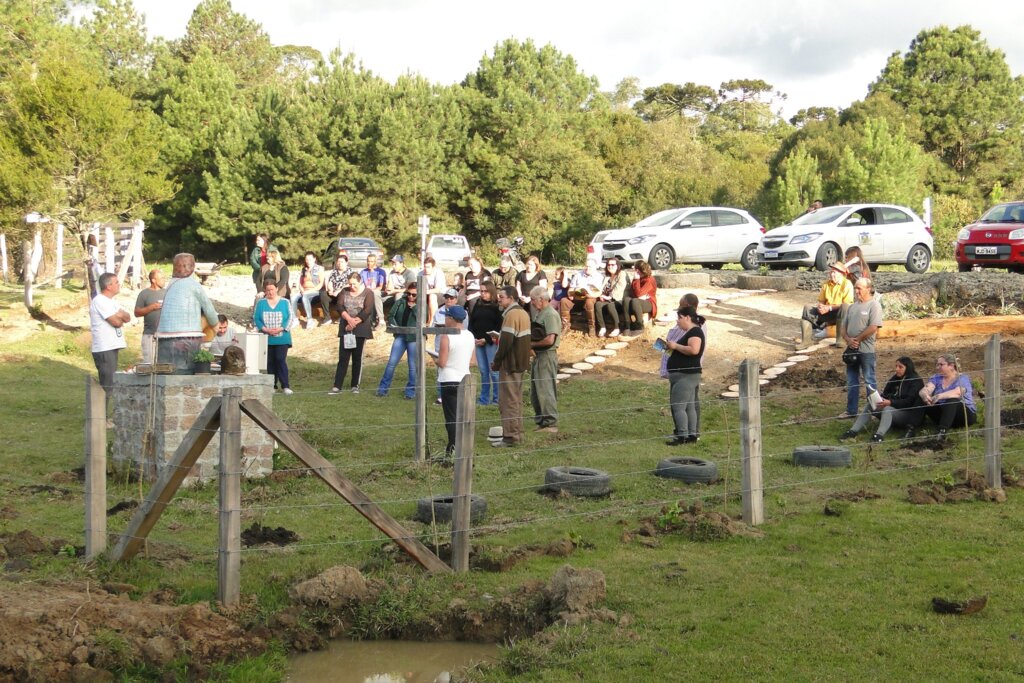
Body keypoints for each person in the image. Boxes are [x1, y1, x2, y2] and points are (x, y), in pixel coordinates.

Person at [156, 253, 219, 373]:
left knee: (164, 371)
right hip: (187, 336)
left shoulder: (170, 285)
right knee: (184, 371)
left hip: (163, 335)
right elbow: (209, 309)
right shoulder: (193, 285)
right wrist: (215, 324)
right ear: (192, 267)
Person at [840, 357, 925, 443]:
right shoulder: (896, 378)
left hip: (907, 415)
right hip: (894, 409)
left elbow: (909, 402)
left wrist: (891, 402)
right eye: (896, 366)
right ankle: (853, 431)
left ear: (908, 367)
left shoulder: (915, 381)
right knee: (871, 404)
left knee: (887, 409)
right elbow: (886, 392)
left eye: (900, 367)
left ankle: (879, 435)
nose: (897, 369)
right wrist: (880, 398)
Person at [491, 286, 531, 448]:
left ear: (512, 298)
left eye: (502, 296)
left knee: (508, 400)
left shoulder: (511, 315)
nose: (499, 299)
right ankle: (518, 433)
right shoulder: (523, 313)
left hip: (510, 364)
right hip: (520, 363)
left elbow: (506, 342)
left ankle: (510, 436)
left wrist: (497, 361)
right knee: (516, 399)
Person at [433, 305, 475, 459]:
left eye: (446, 317)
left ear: (451, 319)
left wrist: (435, 359)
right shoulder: (470, 335)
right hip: (465, 378)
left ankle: (452, 449)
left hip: (449, 379)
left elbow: (442, 362)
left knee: (451, 418)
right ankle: (463, 447)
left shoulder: (447, 336)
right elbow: (473, 361)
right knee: (463, 416)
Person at [840, 278, 882, 418]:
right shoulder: (852, 307)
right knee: (852, 381)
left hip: (866, 351)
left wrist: (857, 340)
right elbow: (843, 327)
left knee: (869, 380)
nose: (856, 291)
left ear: (868, 288)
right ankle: (851, 410)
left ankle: (876, 410)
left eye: (859, 288)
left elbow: (873, 327)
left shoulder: (874, 305)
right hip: (852, 351)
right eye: (855, 288)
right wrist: (847, 339)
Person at [663, 306, 705, 446]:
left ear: (687, 317)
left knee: (678, 406)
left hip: (685, 375)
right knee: (689, 406)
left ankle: (682, 435)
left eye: (679, 318)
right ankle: (691, 434)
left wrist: (675, 346)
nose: (678, 321)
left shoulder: (695, 332)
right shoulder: (691, 332)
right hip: (687, 374)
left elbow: (694, 350)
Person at [90, 272, 130, 413]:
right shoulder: (100, 301)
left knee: (111, 383)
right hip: (104, 348)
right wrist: (119, 316)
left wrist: (119, 315)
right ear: (108, 286)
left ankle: (103, 416)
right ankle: (101, 418)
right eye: (116, 282)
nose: (119, 284)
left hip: (112, 346)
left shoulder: (112, 302)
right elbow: (116, 322)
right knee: (106, 385)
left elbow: (127, 317)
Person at [330, 272, 374, 394]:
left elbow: (368, 309)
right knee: (343, 357)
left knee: (357, 357)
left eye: (354, 284)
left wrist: (354, 322)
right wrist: (348, 319)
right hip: (346, 327)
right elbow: (339, 306)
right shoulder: (344, 291)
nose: (351, 286)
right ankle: (337, 385)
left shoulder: (368, 293)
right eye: (349, 284)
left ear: (359, 282)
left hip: (361, 328)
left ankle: (355, 385)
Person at [919, 354, 977, 442]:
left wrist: (939, 396)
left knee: (952, 400)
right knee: (921, 399)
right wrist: (925, 396)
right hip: (944, 413)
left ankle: (942, 432)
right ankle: (911, 426)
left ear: (951, 365)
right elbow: (926, 389)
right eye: (937, 364)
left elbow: (957, 392)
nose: (938, 367)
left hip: (963, 415)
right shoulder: (937, 378)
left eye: (941, 365)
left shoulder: (962, 379)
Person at [376, 282, 419, 399]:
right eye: (408, 294)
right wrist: (396, 328)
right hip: (401, 335)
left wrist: (414, 308)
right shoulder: (400, 302)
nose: (410, 297)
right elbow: (391, 316)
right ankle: (383, 389)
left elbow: (422, 319)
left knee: (412, 365)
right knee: (391, 363)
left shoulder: (421, 305)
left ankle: (410, 392)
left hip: (413, 338)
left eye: (414, 295)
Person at [529, 286, 561, 432]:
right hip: (538, 355)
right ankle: (541, 420)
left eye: (533, 300)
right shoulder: (540, 313)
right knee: (536, 390)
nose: (531, 303)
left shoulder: (550, 315)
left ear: (541, 300)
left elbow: (549, 340)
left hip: (546, 355)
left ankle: (550, 422)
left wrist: (531, 344)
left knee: (545, 388)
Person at [800, 262, 854, 346]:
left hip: (841, 314)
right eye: (831, 272)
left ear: (841, 274)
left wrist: (829, 308)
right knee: (807, 308)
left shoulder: (847, 284)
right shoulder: (826, 284)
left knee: (845, 307)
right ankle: (806, 341)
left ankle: (840, 340)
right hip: (828, 312)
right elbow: (821, 301)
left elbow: (847, 304)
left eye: (834, 272)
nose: (832, 274)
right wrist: (820, 307)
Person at [254, 280, 293, 394]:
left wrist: (281, 328)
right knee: (270, 362)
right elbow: (256, 318)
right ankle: (272, 385)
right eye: (267, 290)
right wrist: (265, 329)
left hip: (282, 338)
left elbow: (290, 317)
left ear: (276, 289)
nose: (270, 292)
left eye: (272, 289)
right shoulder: (261, 303)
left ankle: (285, 385)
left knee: (280, 359)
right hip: (267, 338)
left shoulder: (285, 302)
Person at [469, 281, 502, 406]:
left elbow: (499, 327)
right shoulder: (478, 303)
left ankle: (497, 398)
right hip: (478, 341)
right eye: (481, 291)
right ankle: (484, 398)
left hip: (491, 342)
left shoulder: (496, 307)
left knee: (493, 371)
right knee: (483, 371)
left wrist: (487, 339)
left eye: (485, 291)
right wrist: (474, 337)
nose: (483, 294)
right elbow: (472, 322)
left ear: (491, 292)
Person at [558, 259, 603, 335]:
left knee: (589, 301)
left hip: (591, 298)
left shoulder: (599, 276)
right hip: (577, 298)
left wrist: (590, 295)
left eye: (590, 267)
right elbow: (571, 288)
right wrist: (570, 294)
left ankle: (591, 327)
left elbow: (599, 292)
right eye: (586, 266)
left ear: (595, 267)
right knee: (564, 300)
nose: (587, 268)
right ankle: (566, 326)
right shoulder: (578, 275)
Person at [133, 268, 165, 364]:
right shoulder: (144, 294)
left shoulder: (167, 292)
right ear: (153, 280)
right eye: (161, 278)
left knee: (163, 364)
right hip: (149, 334)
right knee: (148, 363)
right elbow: (137, 313)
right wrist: (151, 307)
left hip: (165, 335)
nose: (164, 280)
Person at [594, 258, 629, 337]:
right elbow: (602, 289)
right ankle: (602, 327)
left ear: (618, 266)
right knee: (598, 304)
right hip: (609, 299)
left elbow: (620, 288)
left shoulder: (621, 274)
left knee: (611, 305)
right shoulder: (607, 277)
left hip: (620, 300)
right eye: (608, 265)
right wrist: (601, 295)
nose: (610, 266)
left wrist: (608, 297)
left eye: (613, 264)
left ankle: (617, 328)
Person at [293, 251, 324, 329]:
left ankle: (310, 320)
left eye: (310, 259)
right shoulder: (304, 269)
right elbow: (300, 282)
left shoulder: (319, 269)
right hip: (304, 291)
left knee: (305, 297)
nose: (308, 261)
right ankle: (295, 319)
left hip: (315, 291)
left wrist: (309, 291)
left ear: (314, 259)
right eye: (306, 259)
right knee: (293, 297)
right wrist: (301, 289)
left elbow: (321, 284)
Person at [626, 260, 657, 336]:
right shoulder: (639, 277)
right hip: (640, 301)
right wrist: (636, 280)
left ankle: (640, 326)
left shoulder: (650, 280)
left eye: (634, 268)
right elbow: (632, 292)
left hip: (649, 303)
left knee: (635, 301)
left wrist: (636, 280)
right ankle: (627, 324)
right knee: (626, 300)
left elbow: (638, 294)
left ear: (637, 270)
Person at [320, 254, 352, 324]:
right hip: (333, 293)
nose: (340, 264)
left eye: (342, 262)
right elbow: (330, 281)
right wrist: (330, 289)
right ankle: (327, 318)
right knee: (323, 294)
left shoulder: (350, 272)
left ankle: (342, 316)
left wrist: (338, 291)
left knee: (342, 293)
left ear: (346, 262)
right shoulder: (334, 271)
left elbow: (349, 284)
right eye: (338, 262)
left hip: (343, 292)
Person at [360, 253, 387, 329]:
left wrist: (371, 291)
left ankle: (381, 320)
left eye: (371, 261)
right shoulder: (363, 272)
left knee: (374, 293)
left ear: (375, 262)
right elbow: (359, 284)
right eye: (368, 261)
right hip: (368, 292)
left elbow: (381, 287)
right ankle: (371, 321)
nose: (369, 263)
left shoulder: (381, 272)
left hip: (378, 292)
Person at [421, 257, 446, 323]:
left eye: (428, 267)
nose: (426, 269)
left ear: (433, 267)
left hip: (441, 295)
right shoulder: (421, 274)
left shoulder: (438, 273)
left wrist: (424, 291)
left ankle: (432, 322)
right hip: (426, 294)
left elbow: (438, 289)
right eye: (425, 267)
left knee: (432, 296)